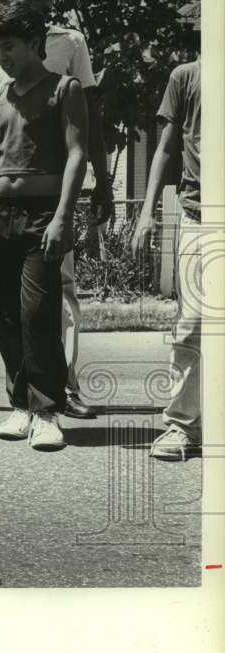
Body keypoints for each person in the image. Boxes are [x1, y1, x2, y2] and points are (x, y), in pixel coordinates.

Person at [0, 0, 113, 419]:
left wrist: (101, 181)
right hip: (0, 195)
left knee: (59, 292)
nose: (11, 2)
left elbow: (89, 119)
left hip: (50, 196)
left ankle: (65, 388)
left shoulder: (69, 43)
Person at [0, 0, 89, 451]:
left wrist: (63, 217)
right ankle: (19, 405)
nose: (3, 58)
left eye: (11, 47)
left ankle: (46, 411)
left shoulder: (65, 88)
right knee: (4, 314)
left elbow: (76, 154)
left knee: (37, 314)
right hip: (0, 216)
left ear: (36, 44)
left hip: (44, 214)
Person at [131, 56, 202, 460]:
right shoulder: (185, 75)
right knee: (192, 325)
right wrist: (147, 211)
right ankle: (182, 426)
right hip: (199, 215)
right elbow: (164, 148)